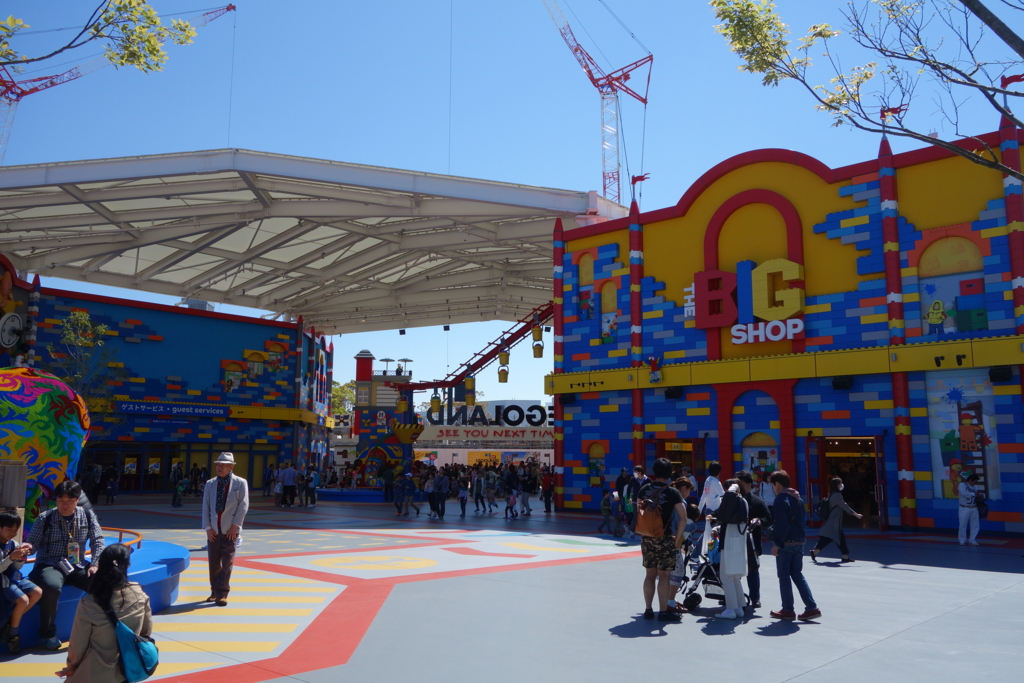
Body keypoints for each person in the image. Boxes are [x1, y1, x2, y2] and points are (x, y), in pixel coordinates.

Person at [27, 480, 105, 650]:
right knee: (52, 586)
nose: (65, 504)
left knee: (101, 582)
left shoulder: (87, 516)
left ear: (77, 500)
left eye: (70, 500)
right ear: (55, 500)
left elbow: (98, 540)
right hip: (50, 563)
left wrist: (95, 564)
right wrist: (26, 548)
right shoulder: (45, 518)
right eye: (61, 500)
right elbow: (32, 543)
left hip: (77, 564)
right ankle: (48, 633)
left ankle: (101, 627)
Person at [57, 544, 153, 682]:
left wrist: (71, 666)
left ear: (100, 566)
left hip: (96, 673)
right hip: (127, 670)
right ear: (127, 565)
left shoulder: (89, 602)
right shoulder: (140, 595)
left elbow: (78, 644)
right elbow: (145, 633)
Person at [637, 458, 687, 622]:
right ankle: (663, 612)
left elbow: (639, 512)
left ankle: (648, 609)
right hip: (665, 538)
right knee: (664, 576)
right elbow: (683, 517)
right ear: (669, 472)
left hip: (647, 537)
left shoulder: (644, 489)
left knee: (649, 574)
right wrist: (677, 537)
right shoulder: (672, 492)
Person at [768, 470, 820, 621]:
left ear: (777, 484)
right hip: (800, 541)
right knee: (797, 574)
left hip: (786, 543)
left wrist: (777, 544)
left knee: (784, 576)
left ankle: (788, 609)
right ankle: (811, 607)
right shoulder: (798, 498)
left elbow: (781, 525)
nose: (773, 488)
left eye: (773, 485)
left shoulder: (780, 500)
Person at [201, 452, 249, 606]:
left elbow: (243, 506)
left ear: (231, 467)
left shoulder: (240, 483)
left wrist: (235, 526)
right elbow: (205, 507)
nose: (219, 467)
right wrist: (208, 528)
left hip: (230, 530)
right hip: (214, 530)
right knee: (214, 563)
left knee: (227, 562)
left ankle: (222, 593)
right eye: (218, 465)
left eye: (223, 465)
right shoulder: (210, 484)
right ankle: (214, 591)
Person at [0, 511, 41, 654]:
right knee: (23, 600)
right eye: (9, 529)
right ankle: (13, 634)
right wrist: (11, 558)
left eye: (15, 530)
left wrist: (21, 558)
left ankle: (10, 623)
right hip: (3, 581)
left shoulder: (13, 544)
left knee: (37, 592)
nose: (12, 533)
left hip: (14, 577)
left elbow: (16, 567)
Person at [736, 470, 772, 609]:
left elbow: (768, 518)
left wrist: (759, 521)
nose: (738, 486)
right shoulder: (733, 500)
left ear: (749, 484)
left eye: (740, 483)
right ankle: (733, 596)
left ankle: (755, 598)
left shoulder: (757, 501)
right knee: (733, 571)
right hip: (734, 541)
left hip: (752, 542)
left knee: (752, 570)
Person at [714, 479, 749, 619]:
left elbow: (723, 512)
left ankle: (730, 609)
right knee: (734, 576)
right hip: (738, 541)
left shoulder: (732, 500)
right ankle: (739, 607)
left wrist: (732, 490)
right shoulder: (743, 502)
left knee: (726, 576)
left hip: (729, 541)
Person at [811, 477, 864, 562]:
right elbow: (844, 506)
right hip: (834, 522)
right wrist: (856, 514)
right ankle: (815, 552)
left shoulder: (832, 494)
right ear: (837, 485)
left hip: (833, 521)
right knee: (833, 538)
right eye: (840, 483)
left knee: (836, 539)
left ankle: (844, 556)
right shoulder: (837, 495)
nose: (841, 485)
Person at [958, 472, 981, 546]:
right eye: (974, 481)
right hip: (964, 507)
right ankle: (962, 540)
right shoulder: (962, 485)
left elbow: (978, 493)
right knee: (963, 524)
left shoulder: (975, 487)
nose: (975, 483)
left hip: (974, 507)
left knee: (975, 524)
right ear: (970, 480)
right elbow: (963, 493)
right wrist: (974, 494)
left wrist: (980, 496)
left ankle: (972, 539)